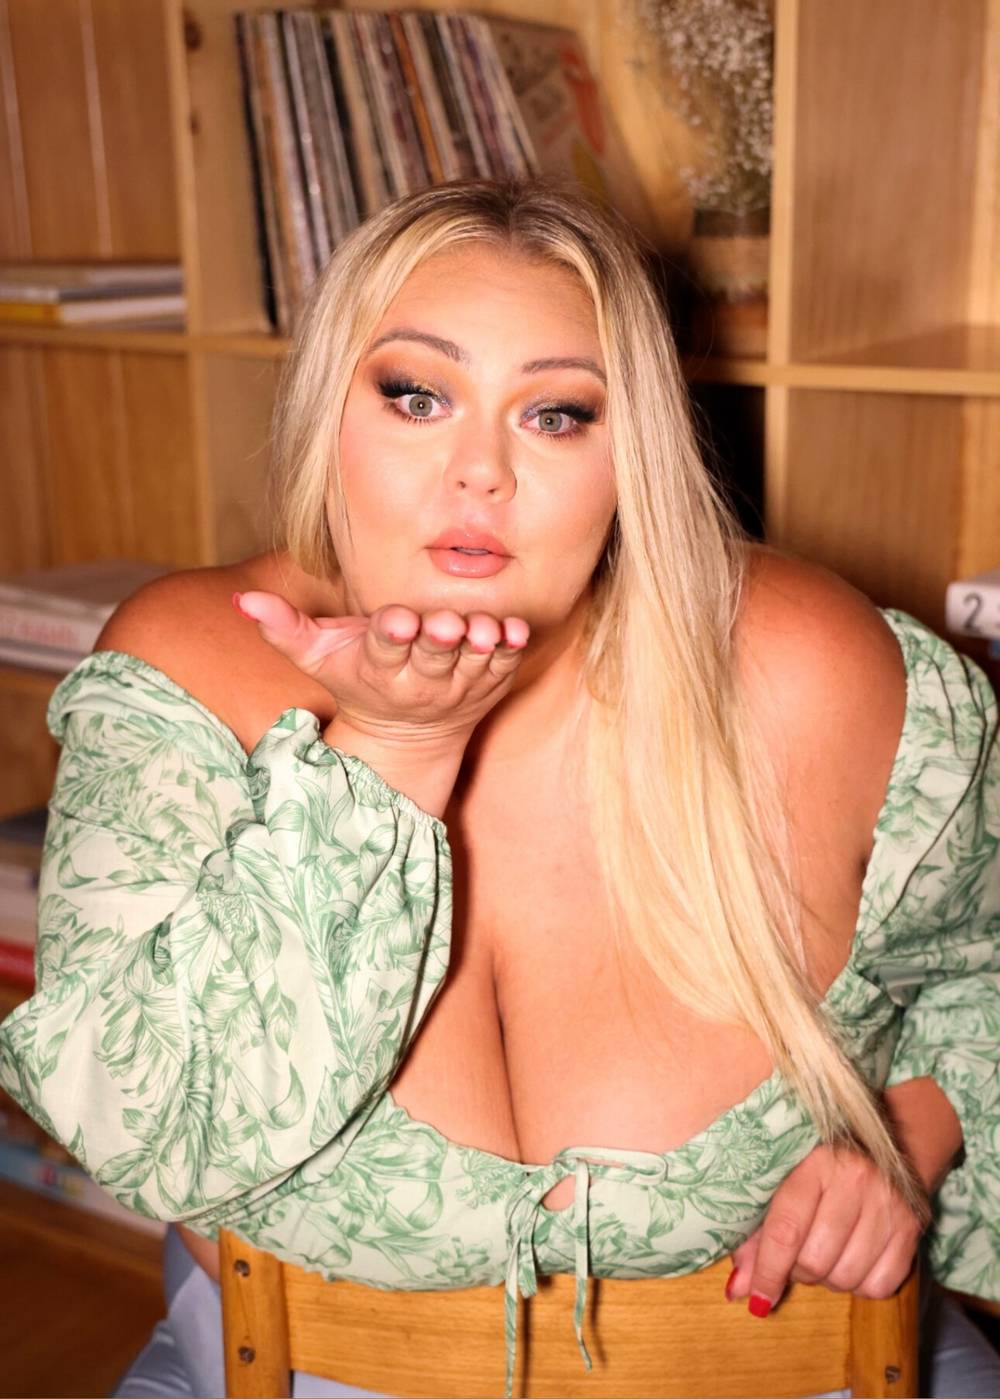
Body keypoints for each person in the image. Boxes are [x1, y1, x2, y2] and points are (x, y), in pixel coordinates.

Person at [0, 176, 997, 1399]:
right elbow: (141, 1126)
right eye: (416, 395)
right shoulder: (184, 673)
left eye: (557, 414)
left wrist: (907, 1131)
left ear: (632, 451)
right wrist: (387, 753)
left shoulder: (807, 667)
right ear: (328, 407)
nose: (479, 473)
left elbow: (980, 972)